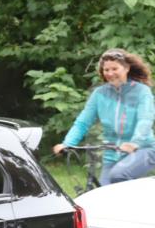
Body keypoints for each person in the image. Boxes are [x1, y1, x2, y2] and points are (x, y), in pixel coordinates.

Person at [53, 48, 155, 185]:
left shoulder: (142, 91)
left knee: (119, 175)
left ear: (126, 68)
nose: (110, 73)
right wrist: (67, 144)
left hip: (144, 149)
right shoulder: (99, 94)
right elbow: (83, 122)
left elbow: (145, 119)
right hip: (112, 153)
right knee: (103, 192)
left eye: (114, 69)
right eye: (106, 70)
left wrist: (134, 143)